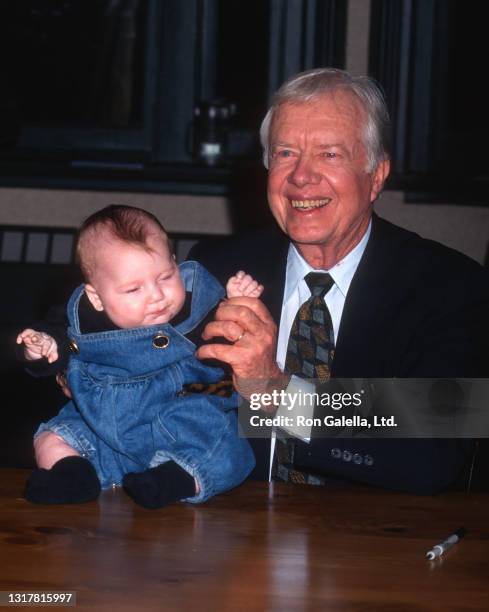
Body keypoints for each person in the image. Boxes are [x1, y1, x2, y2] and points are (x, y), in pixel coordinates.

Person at [189, 67, 489, 494]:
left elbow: (433, 452)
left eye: (329, 154)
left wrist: (278, 392)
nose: (301, 177)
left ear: (377, 176)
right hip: (230, 535)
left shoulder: (449, 286)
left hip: (374, 543)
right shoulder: (216, 271)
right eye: (285, 153)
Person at [17, 205, 259, 507]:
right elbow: (56, 339)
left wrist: (237, 313)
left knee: (224, 448)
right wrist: (42, 347)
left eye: (166, 277)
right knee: (53, 436)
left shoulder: (204, 301)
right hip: (100, 427)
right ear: (96, 297)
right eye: (133, 289)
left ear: (175, 263)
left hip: (181, 425)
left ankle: (172, 480)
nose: (157, 296)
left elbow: (327, 419)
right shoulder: (81, 317)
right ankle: (72, 475)